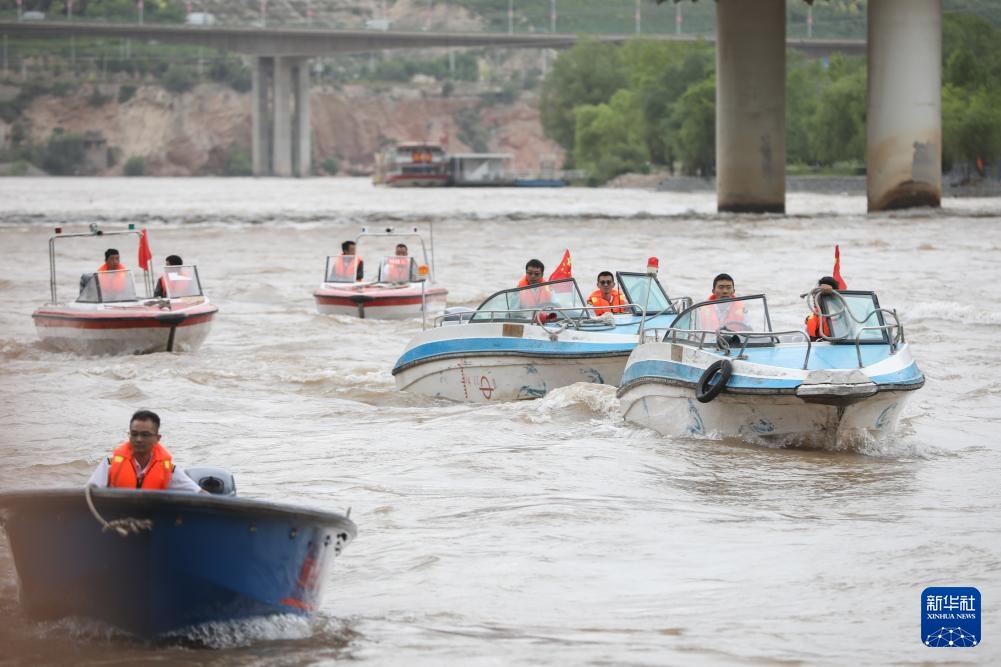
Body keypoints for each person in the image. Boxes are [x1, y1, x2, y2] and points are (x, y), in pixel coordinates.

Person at [87, 410, 203, 492]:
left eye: (145, 435)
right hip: (116, 519)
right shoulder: (109, 464)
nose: (138, 439)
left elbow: (198, 493)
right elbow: (88, 493)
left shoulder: (169, 469)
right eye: (134, 434)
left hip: (152, 519)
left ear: (157, 439)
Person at [805, 276, 840, 340]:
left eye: (817, 294)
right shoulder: (812, 317)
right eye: (814, 294)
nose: (814, 298)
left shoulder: (840, 315)